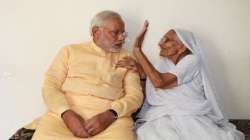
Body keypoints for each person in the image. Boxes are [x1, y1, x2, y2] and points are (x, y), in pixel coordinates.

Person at [10, 10, 143, 140]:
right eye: (115, 32)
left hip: (112, 121)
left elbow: (135, 96)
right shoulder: (70, 51)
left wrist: (112, 114)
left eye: (123, 33)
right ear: (96, 31)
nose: (122, 37)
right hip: (64, 118)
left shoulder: (128, 58)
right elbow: (50, 86)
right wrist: (66, 114)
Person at [116, 21, 245, 140]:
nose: (160, 43)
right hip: (161, 115)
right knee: (148, 134)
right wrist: (142, 72)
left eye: (167, 40)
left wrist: (138, 51)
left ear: (182, 47)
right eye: (162, 39)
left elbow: (159, 82)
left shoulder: (192, 60)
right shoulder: (161, 64)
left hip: (189, 115)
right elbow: (152, 87)